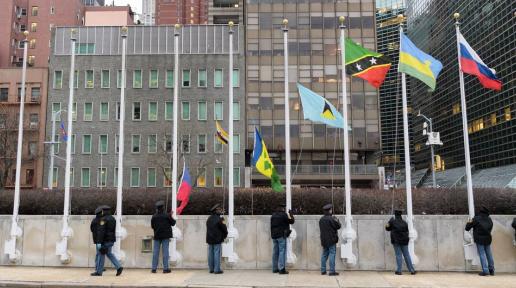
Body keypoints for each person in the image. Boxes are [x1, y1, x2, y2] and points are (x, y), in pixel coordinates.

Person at [92, 205, 123, 277]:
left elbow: (101, 231)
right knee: (109, 253)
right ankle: (119, 267)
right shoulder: (112, 218)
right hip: (111, 240)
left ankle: (99, 272)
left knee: (101, 254)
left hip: (104, 241)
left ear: (103, 211)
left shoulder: (103, 220)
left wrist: (99, 242)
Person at [385, 209, 416, 275]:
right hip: (404, 241)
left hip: (396, 241)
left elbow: (387, 228)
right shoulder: (404, 222)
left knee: (398, 255)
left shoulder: (392, 221)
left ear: (395, 214)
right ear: (400, 215)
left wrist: (389, 221)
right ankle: (412, 270)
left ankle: (399, 271)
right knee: (407, 255)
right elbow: (407, 230)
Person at [465, 206, 494, 276]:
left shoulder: (476, 218)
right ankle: (491, 270)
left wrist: (469, 220)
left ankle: (485, 270)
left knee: (482, 254)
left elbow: (467, 228)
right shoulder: (489, 219)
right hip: (488, 238)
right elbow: (491, 226)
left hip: (479, 239)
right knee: (489, 254)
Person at [151, 200, 176, 274]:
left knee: (155, 252)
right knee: (165, 252)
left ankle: (154, 268)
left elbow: (152, 226)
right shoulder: (167, 215)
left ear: (157, 208)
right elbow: (173, 223)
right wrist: (171, 215)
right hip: (165, 236)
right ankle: (165, 269)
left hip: (157, 236)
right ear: (163, 208)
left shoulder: (154, 216)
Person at [270, 203, 295, 274]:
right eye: (284, 208)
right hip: (281, 236)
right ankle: (281, 269)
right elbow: (292, 221)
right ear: (283, 208)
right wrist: (291, 214)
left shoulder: (273, 215)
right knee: (282, 252)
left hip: (274, 236)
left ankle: (275, 268)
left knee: (275, 252)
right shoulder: (284, 215)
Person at [319, 204, 341, 276]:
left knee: (324, 255)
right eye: (331, 210)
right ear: (329, 210)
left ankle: (323, 270)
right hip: (331, 240)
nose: (331, 211)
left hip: (324, 240)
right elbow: (338, 226)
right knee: (332, 254)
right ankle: (332, 271)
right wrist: (337, 220)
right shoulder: (331, 219)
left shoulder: (321, 219)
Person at [206, 203, 228, 274]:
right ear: (216, 211)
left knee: (210, 254)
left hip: (209, 239)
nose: (221, 211)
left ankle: (211, 269)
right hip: (217, 239)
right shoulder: (219, 219)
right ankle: (217, 269)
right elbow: (224, 229)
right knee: (217, 254)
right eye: (219, 210)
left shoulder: (209, 218)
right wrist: (225, 235)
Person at [90, 206, 105, 274]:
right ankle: (98, 267)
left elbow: (91, 229)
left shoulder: (94, 220)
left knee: (98, 254)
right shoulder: (101, 220)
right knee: (99, 254)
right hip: (99, 239)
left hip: (96, 239)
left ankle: (98, 266)